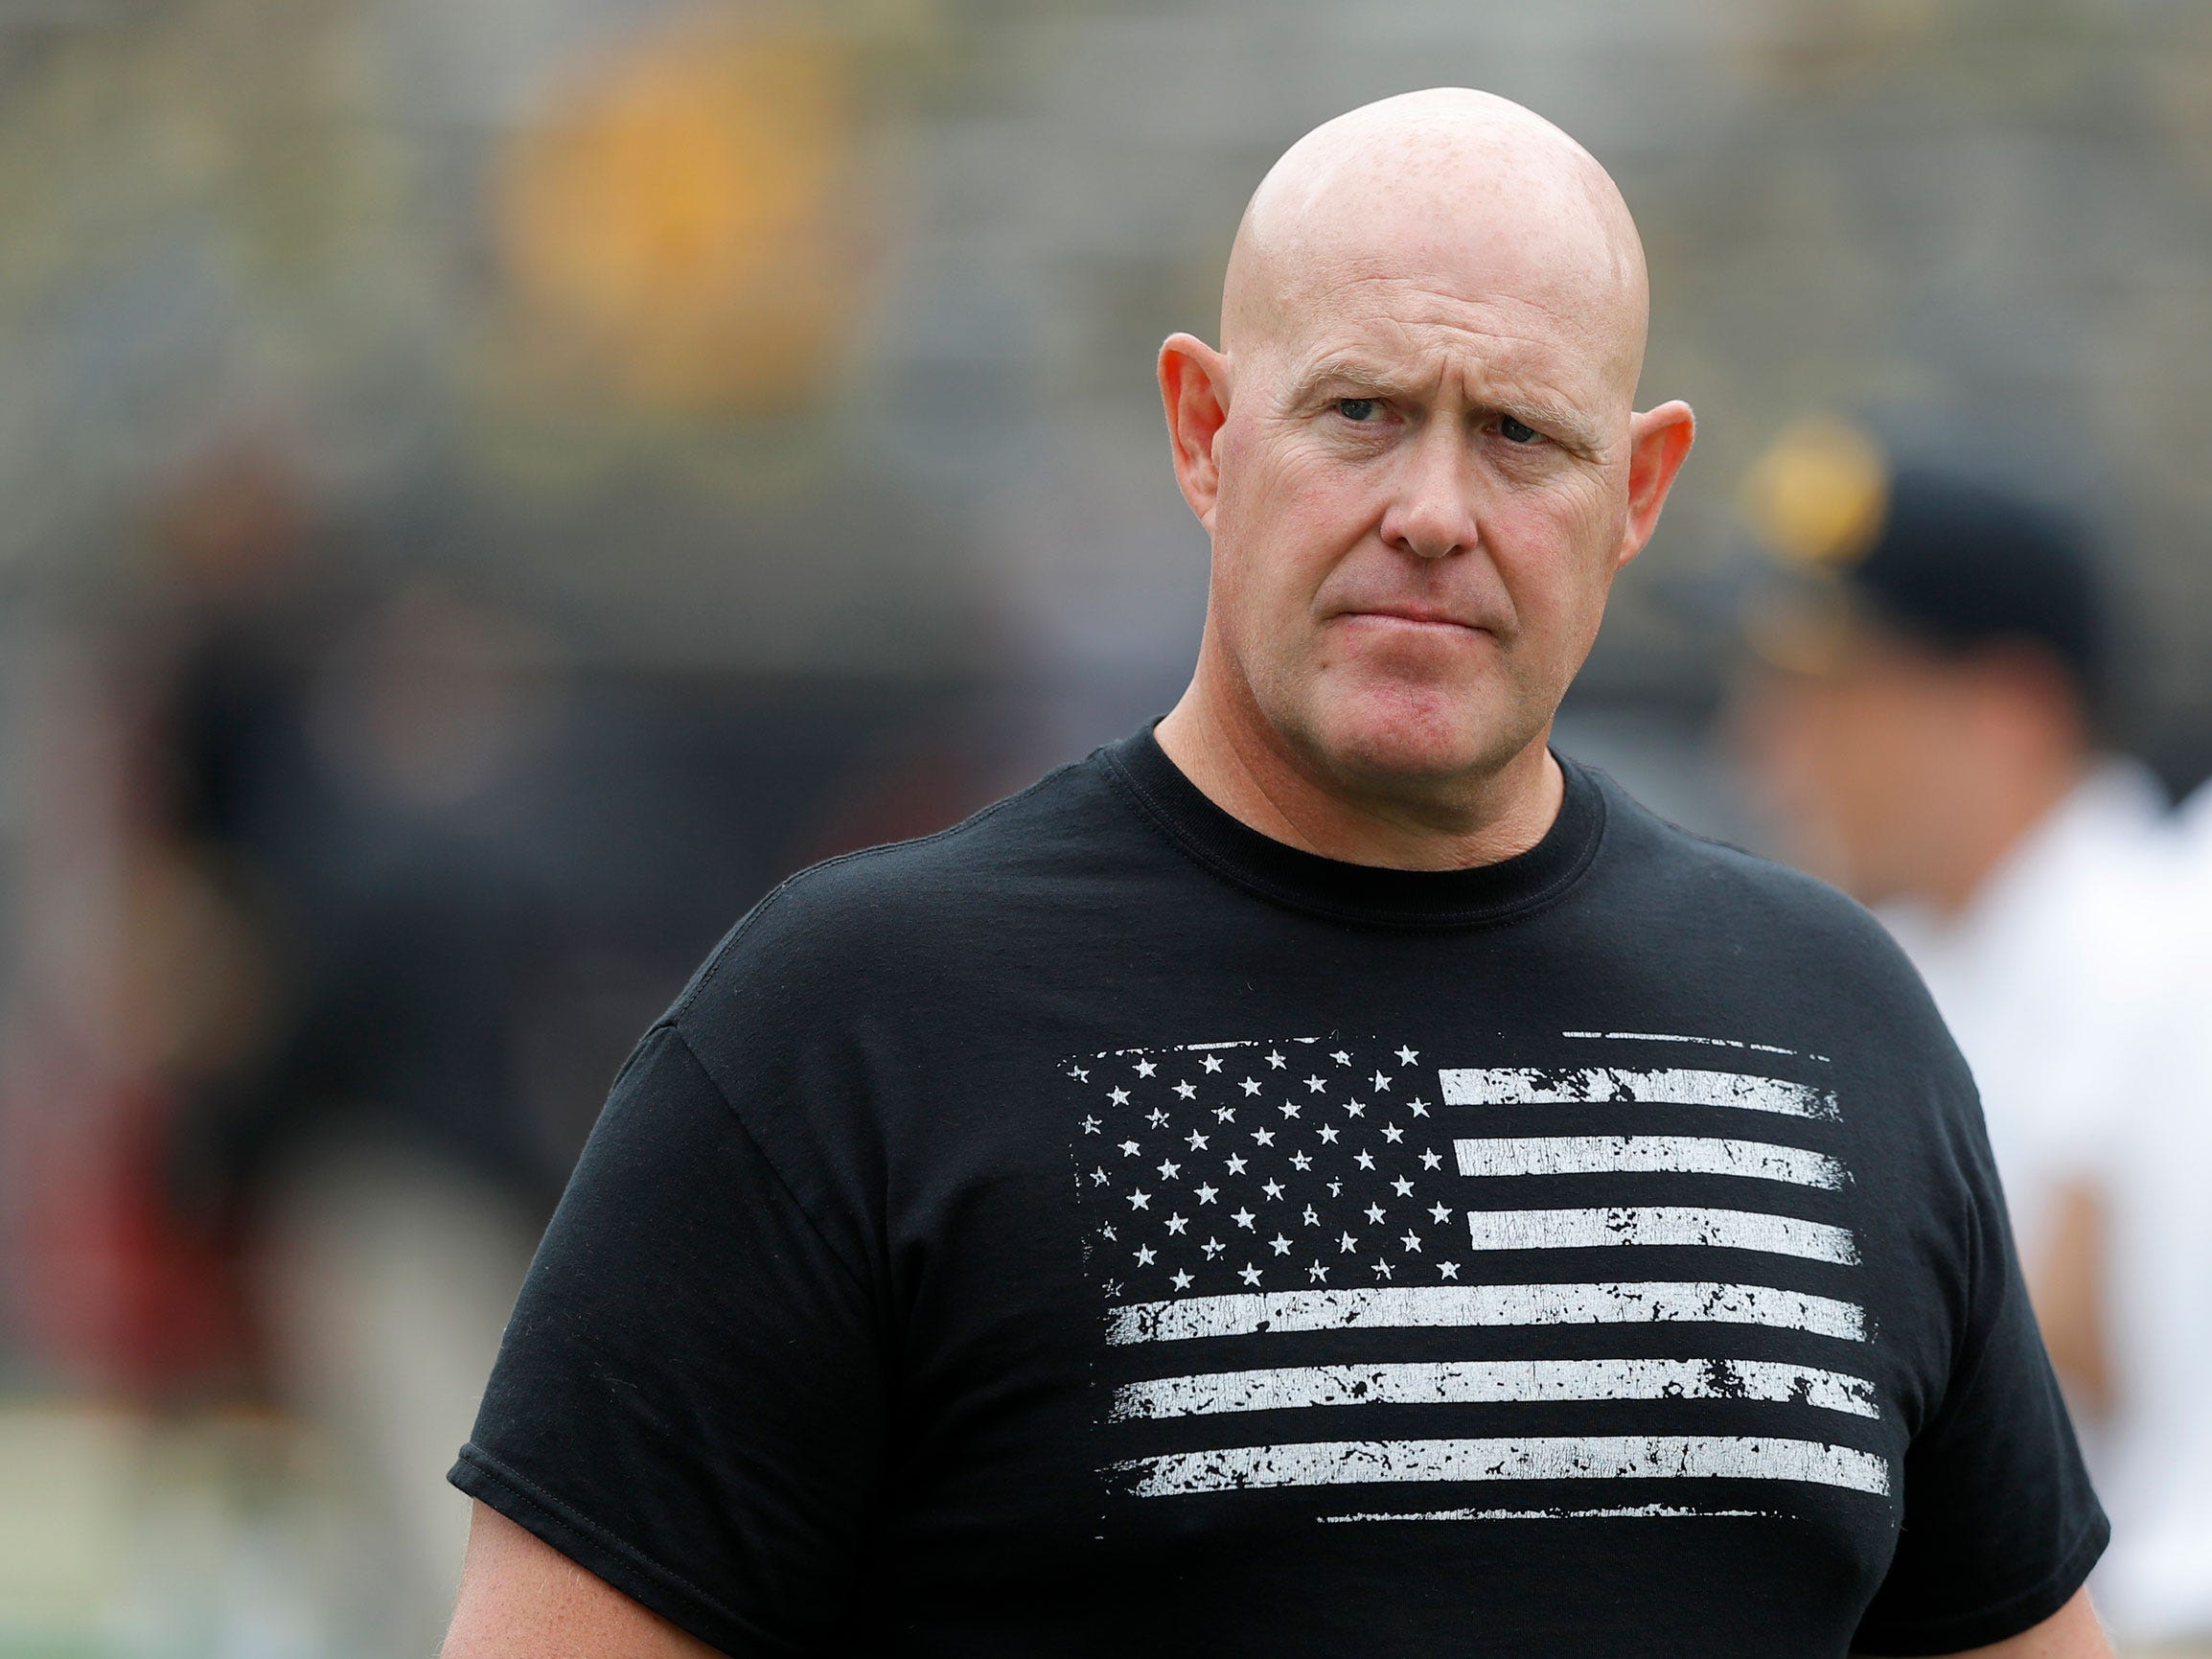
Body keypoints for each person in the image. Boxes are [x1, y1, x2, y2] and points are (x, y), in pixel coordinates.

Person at [441, 91, 2111, 1657]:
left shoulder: (1834, 1025)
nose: (1433, 510)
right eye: (1361, 412)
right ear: (1203, 430)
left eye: (1521, 433)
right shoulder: (850, 1026)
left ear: (1640, 489)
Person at [1731, 427, 2212, 1647]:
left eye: (1834, 690)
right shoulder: (1901, 978)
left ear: (2009, 712)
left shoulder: (2175, 973)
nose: (1768, 746)